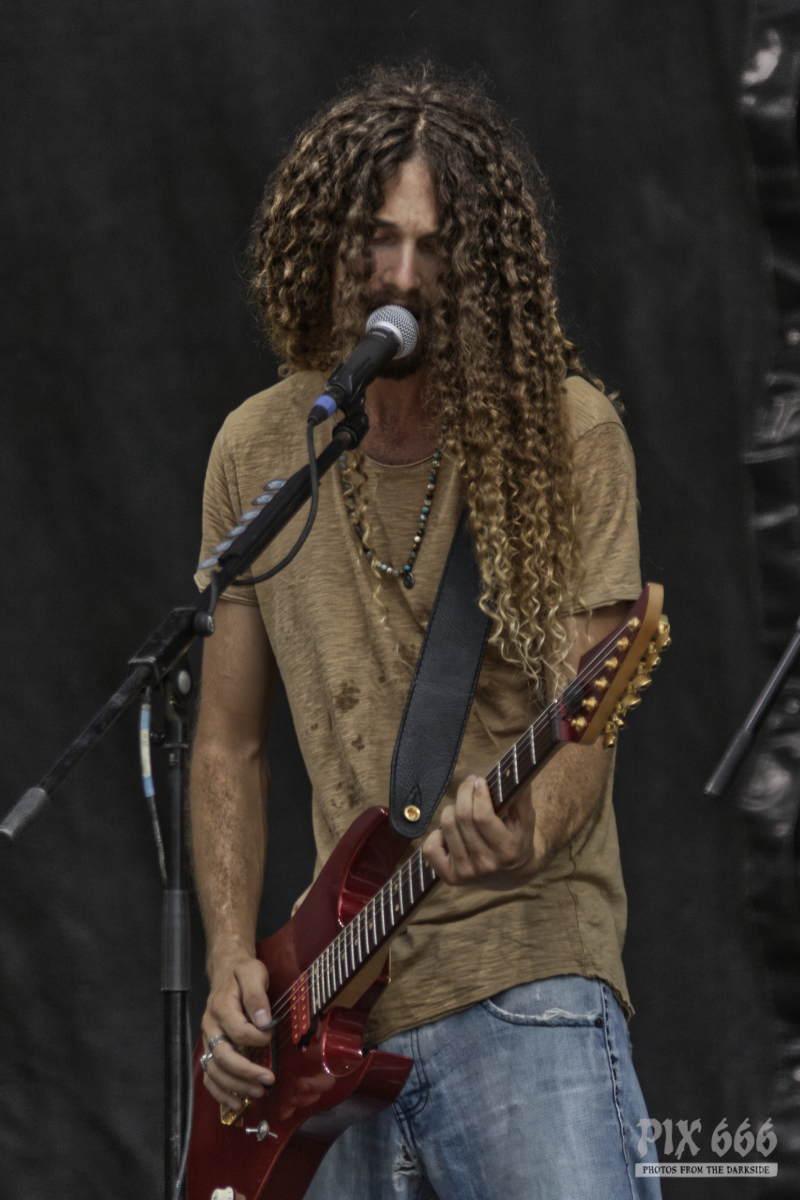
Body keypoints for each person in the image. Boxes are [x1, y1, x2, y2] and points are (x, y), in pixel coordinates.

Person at [190, 63, 661, 1200]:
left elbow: (586, 735)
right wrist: (230, 964)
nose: (402, 277)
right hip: (327, 1024)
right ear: (326, 241)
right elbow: (227, 744)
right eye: (379, 240)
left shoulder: (564, 435)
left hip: (526, 982)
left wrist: (522, 829)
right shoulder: (260, 451)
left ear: (482, 266)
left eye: (435, 249)